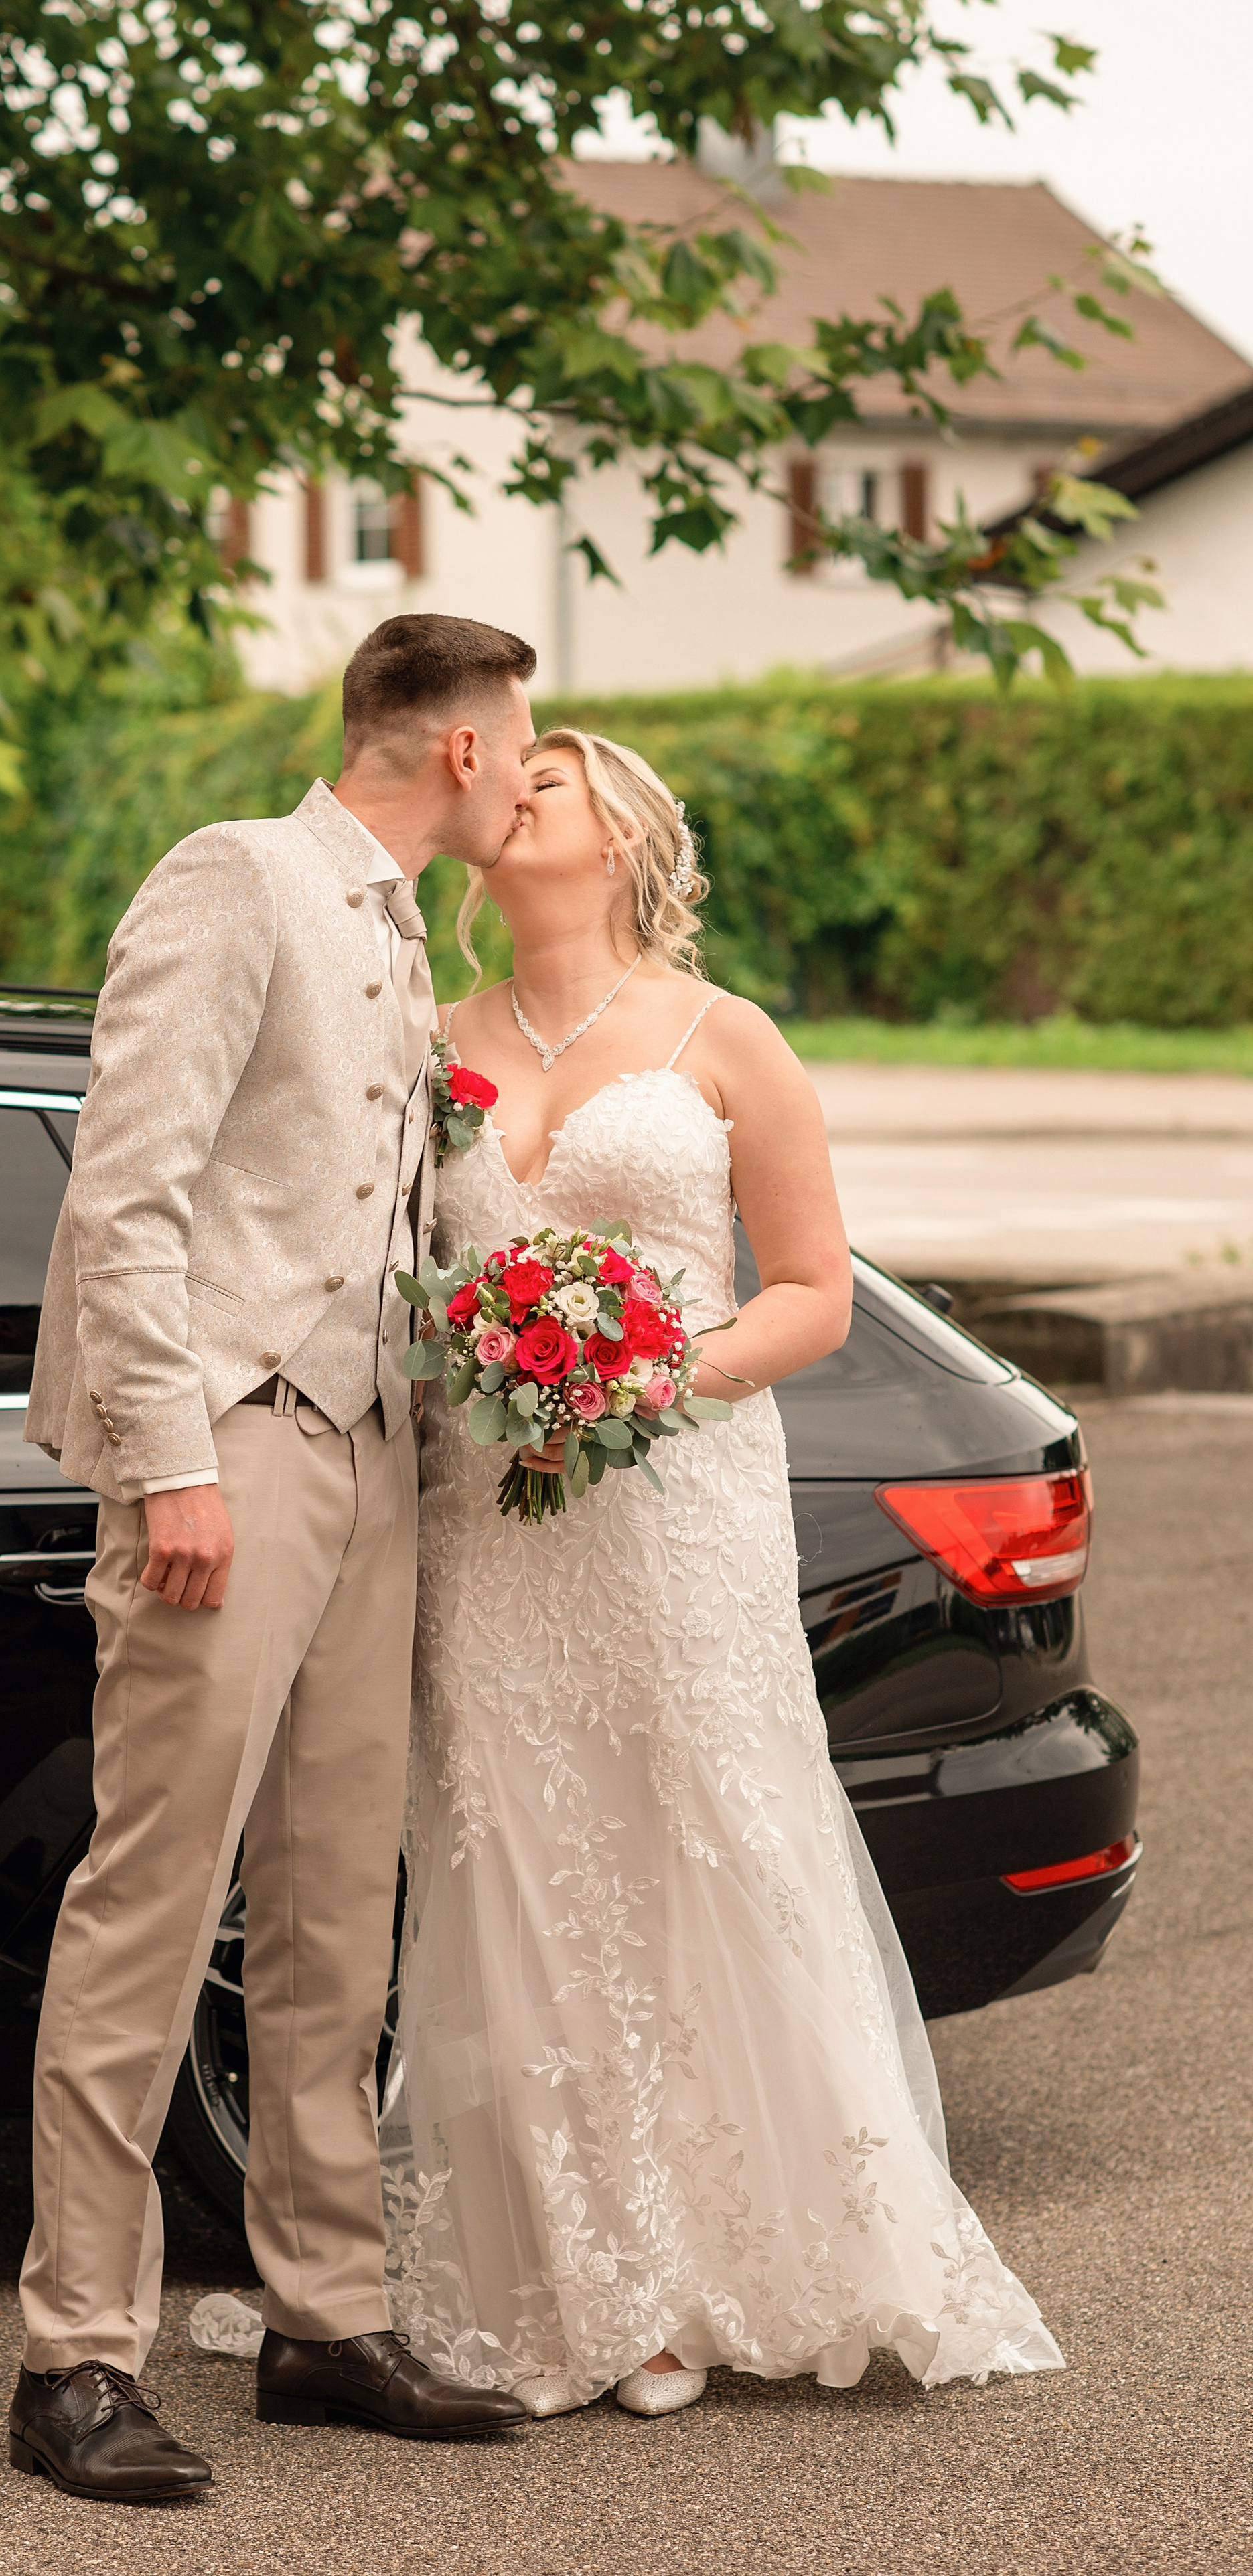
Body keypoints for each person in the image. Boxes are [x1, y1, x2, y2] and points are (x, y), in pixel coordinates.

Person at [382, 726, 1065, 2414]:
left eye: (551, 781)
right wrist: (492, 1370)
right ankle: (591, 2290)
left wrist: (631, 1374)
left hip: (676, 1510)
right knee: (520, 1867)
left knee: (698, 1845)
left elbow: (810, 1295)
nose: (515, 795)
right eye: (510, 780)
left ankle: (725, 2262)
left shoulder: (722, 1038)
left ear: (622, 840)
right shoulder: (432, 1044)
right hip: (495, 1520)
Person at [9, 615, 535, 2504]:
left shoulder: (405, 932)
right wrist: (173, 1467)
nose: (528, 759)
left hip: (378, 1451)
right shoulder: (238, 876)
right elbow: (127, 1185)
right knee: (154, 1899)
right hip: (230, 1443)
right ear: (463, 749)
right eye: (522, 733)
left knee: (334, 1904)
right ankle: (74, 2353)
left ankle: (324, 2315)